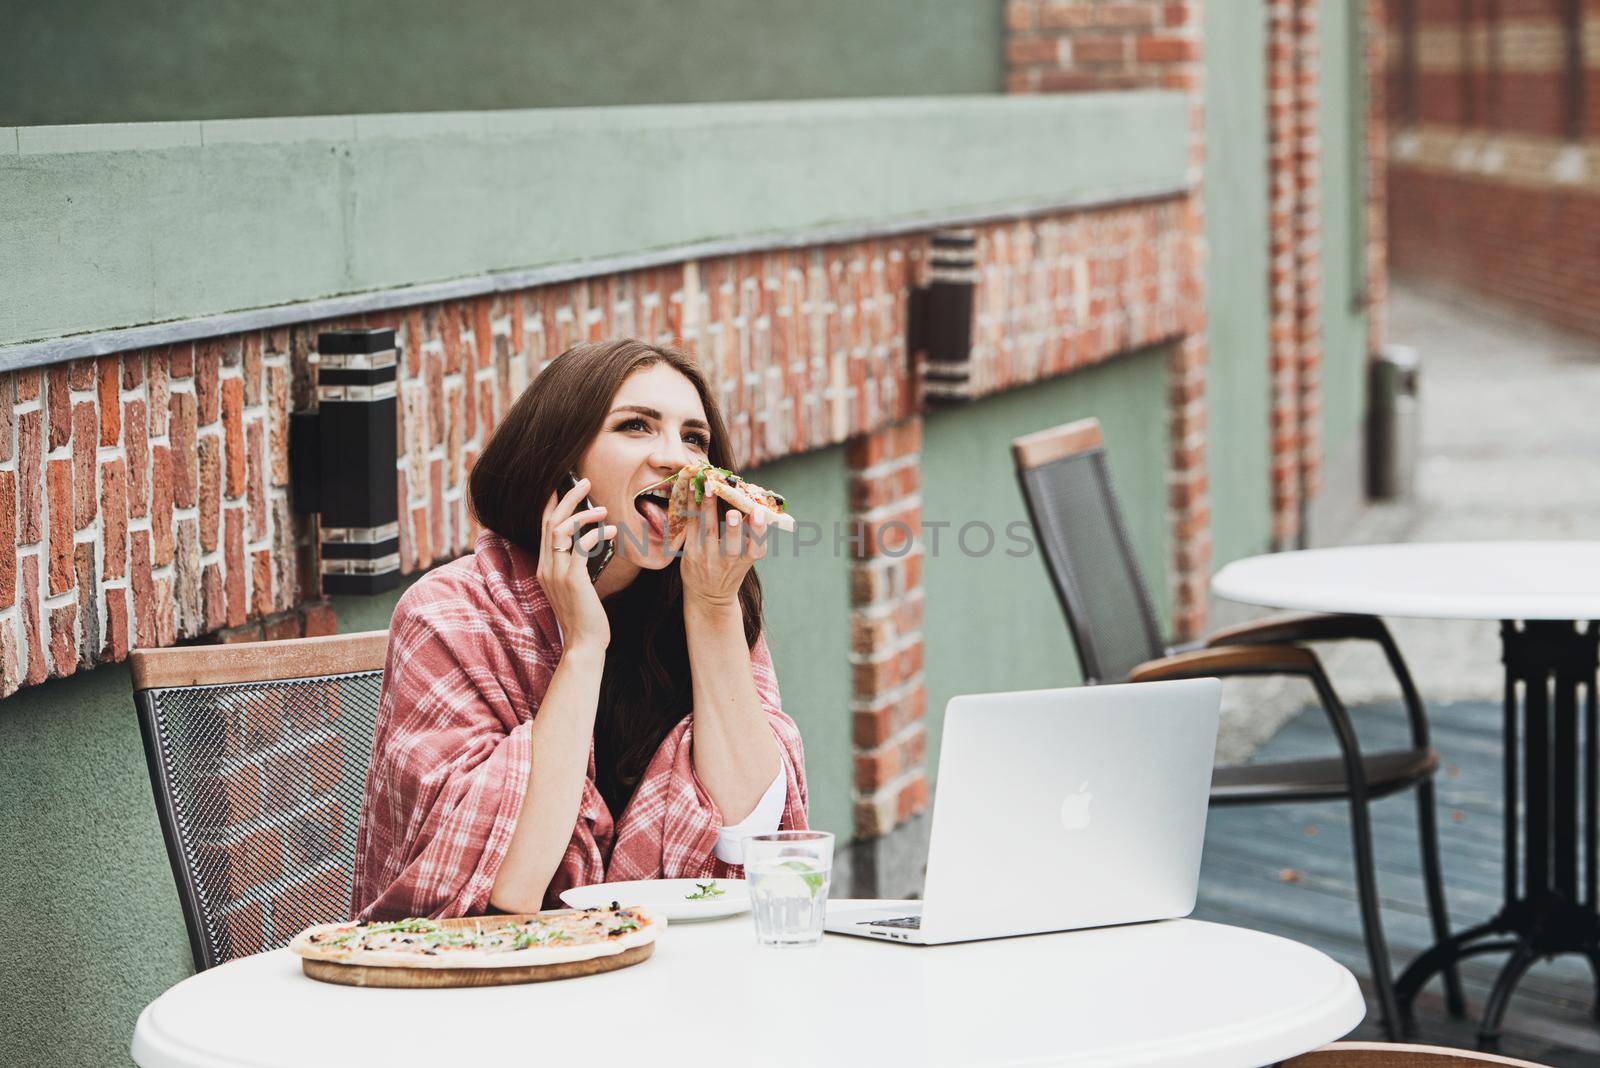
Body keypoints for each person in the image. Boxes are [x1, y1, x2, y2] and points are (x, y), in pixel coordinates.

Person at [352, 338, 808, 920]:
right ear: (561, 462)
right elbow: (510, 889)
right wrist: (584, 645)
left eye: (694, 438)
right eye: (636, 426)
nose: (678, 459)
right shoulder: (449, 614)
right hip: (498, 983)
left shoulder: (706, 602)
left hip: (675, 972)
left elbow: (751, 845)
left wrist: (715, 607)